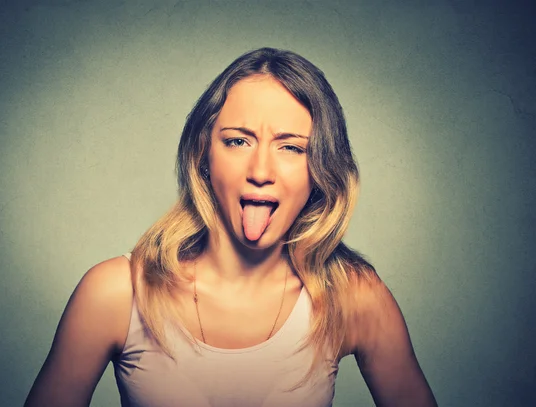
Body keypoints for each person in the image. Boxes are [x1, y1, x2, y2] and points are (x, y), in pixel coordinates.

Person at [24, 47, 438, 407]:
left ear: (320, 170)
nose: (261, 171)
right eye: (238, 141)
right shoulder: (117, 293)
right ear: (204, 155)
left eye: (292, 148)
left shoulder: (354, 298)